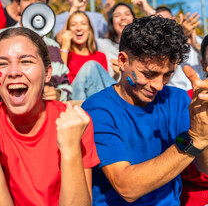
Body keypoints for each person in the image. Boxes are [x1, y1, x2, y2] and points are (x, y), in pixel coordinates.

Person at [0, 27, 100, 205]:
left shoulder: (74, 123)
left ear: (48, 73)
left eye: (26, 61)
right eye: (2, 64)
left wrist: (71, 149)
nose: (13, 72)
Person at [82, 16, 208, 205]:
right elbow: (126, 187)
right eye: (149, 74)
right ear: (123, 61)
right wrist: (193, 141)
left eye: (167, 74)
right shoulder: (99, 109)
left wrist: (201, 134)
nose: (158, 85)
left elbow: (204, 165)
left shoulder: (178, 99)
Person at [0, 0, 72, 102]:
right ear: (18, 5)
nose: (33, 3)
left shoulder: (53, 46)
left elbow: (65, 85)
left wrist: (58, 94)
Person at [132, 0, 204, 90]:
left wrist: (196, 46)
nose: (164, 25)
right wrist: (180, 40)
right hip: (173, 95)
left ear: (174, 20)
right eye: (159, 22)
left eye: (168, 20)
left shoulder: (196, 39)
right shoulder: (153, 47)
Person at [60, 11, 115, 100]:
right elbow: (58, 79)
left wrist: (116, 75)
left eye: (83, 24)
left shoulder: (100, 56)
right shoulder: (64, 53)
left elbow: (101, 85)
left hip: (94, 97)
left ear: (89, 30)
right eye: (73, 25)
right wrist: (65, 47)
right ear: (68, 31)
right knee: (90, 65)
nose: (78, 28)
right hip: (74, 98)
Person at [180, 35, 208, 206]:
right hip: (193, 195)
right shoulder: (184, 101)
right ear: (204, 64)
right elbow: (177, 140)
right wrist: (195, 138)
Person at [97, 3, 135, 79]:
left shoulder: (143, 46)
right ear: (112, 22)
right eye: (117, 15)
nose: (123, 18)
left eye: (127, 14)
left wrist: (147, 9)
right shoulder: (103, 45)